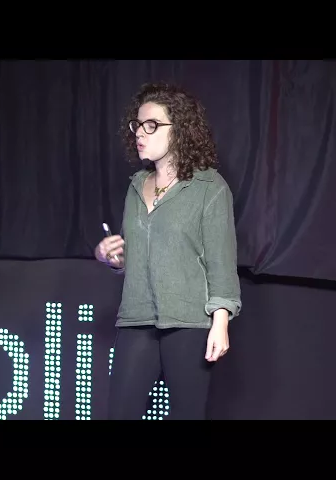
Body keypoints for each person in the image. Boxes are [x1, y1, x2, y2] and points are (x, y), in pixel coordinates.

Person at [94, 82, 241, 420]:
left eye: (152, 125)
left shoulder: (210, 187)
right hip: (137, 318)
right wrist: (114, 258)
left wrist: (220, 322)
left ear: (180, 130)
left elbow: (221, 263)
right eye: (137, 125)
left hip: (189, 321)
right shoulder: (135, 186)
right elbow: (138, 257)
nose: (139, 133)